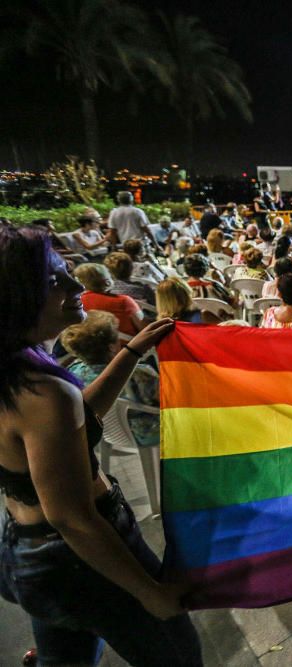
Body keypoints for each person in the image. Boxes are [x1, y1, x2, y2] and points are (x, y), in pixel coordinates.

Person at [0, 225, 201, 665]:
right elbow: (71, 518)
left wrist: (130, 353)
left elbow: (70, 428)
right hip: (80, 558)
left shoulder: (17, 371)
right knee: (178, 657)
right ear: (18, 297)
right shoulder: (45, 393)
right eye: (56, 280)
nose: (77, 287)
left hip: (29, 551)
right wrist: (153, 595)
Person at [61, 311, 159, 448]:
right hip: (147, 434)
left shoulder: (72, 372)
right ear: (112, 347)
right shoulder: (138, 373)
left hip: (107, 433)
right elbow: (163, 399)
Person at [74, 263, 146, 337]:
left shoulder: (77, 303)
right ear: (107, 279)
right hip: (132, 345)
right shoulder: (124, 300)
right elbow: (144, 329)